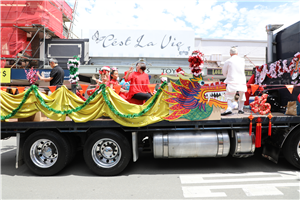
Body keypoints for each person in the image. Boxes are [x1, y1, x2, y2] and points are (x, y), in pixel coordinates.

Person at [221, 47, 247, 115]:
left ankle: (229, 109)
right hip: (241, 81)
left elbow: (224, 72)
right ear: (237, 53)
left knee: (229, 96)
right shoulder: (242, 60)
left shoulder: (228, 61)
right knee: (242, 95)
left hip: (231, 80)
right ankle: (241, 109)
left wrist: (227, 76)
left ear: (230, 54)